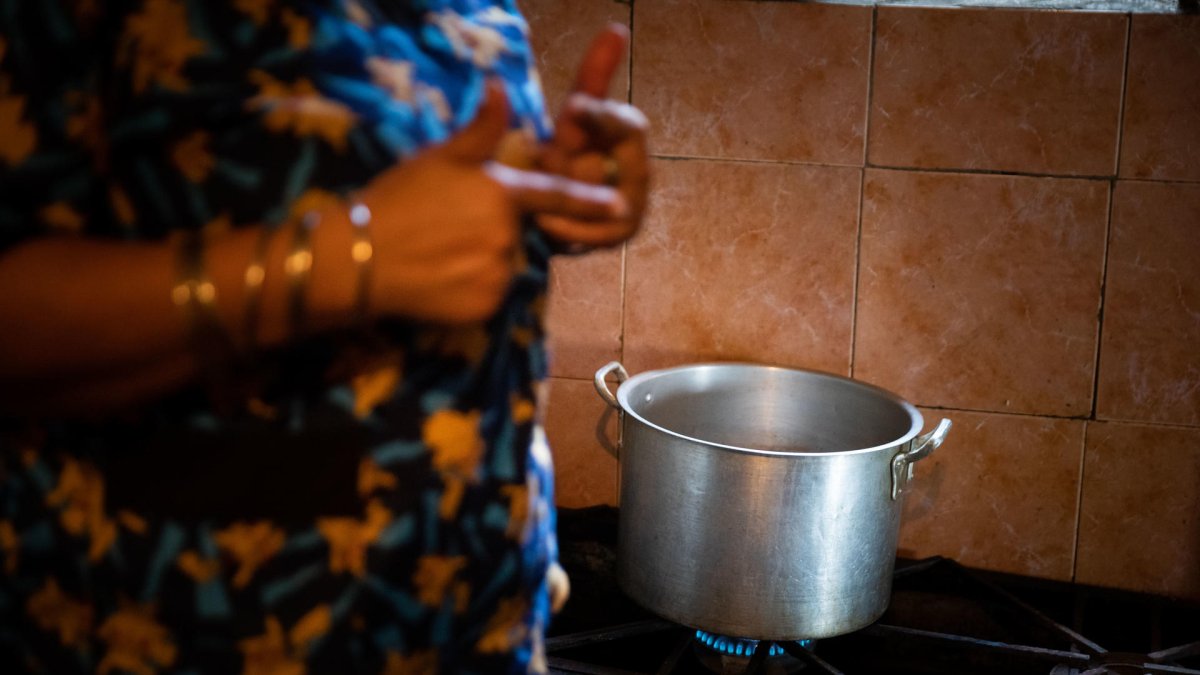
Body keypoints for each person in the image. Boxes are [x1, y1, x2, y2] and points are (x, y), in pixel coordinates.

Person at [0, 0, 649, 673]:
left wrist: (553, 191)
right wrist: (348, 258)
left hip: (479, 614)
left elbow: (413, 193)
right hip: (213, 626)